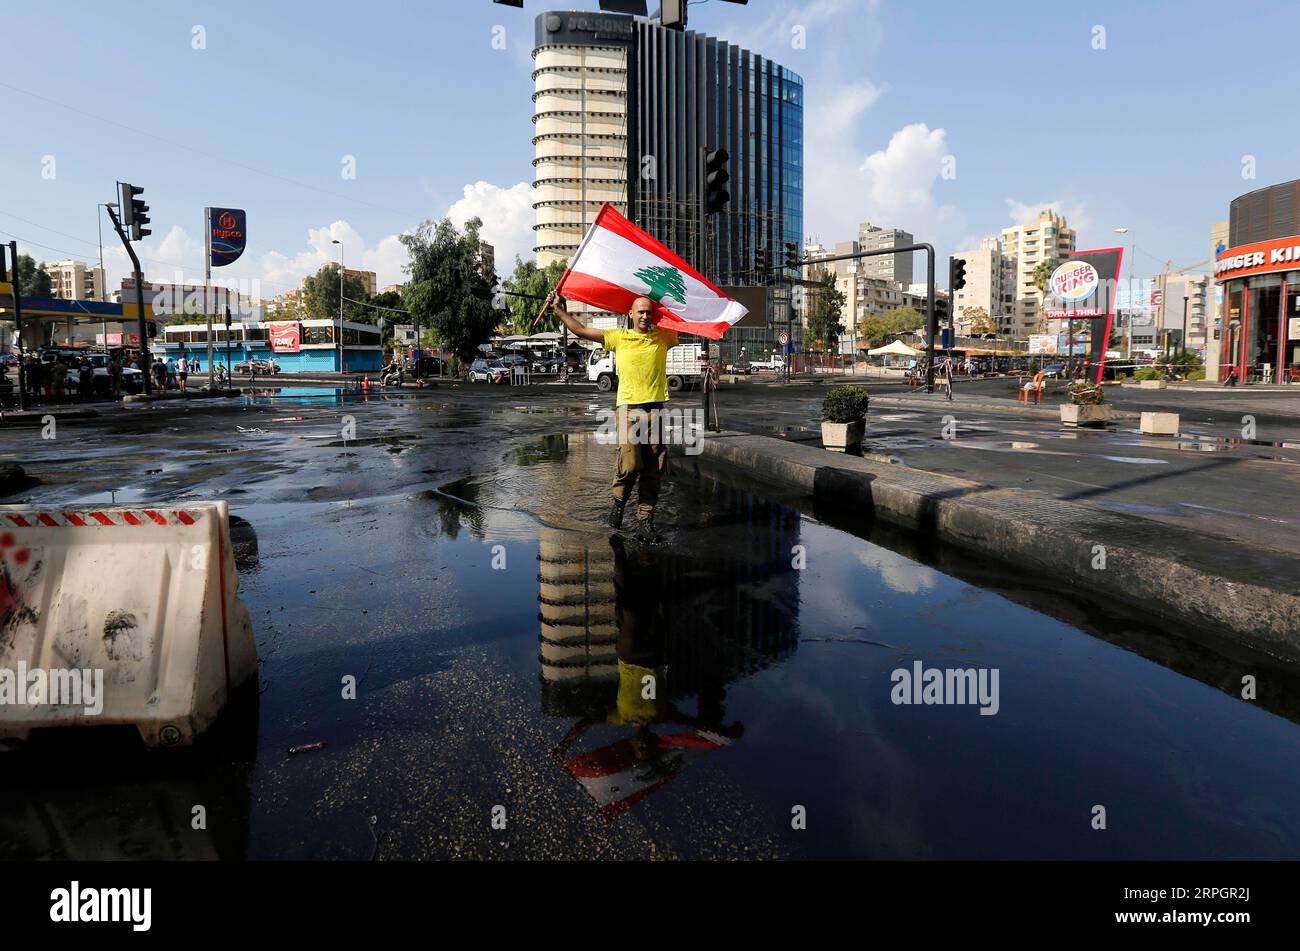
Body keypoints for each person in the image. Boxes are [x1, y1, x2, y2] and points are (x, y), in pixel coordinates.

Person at [545, 290, 676, 541]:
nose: (645, 316)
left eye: (649, 312)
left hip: (655, 409)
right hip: (628, 410)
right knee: (630, 464)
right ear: (631, 314)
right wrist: (558, 309)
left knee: (654, 468)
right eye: (641, 312)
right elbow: (582, 331)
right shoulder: (619, 337)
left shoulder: (664, 336)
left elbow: (696, 325)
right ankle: (619, 501)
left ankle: (645, 518)